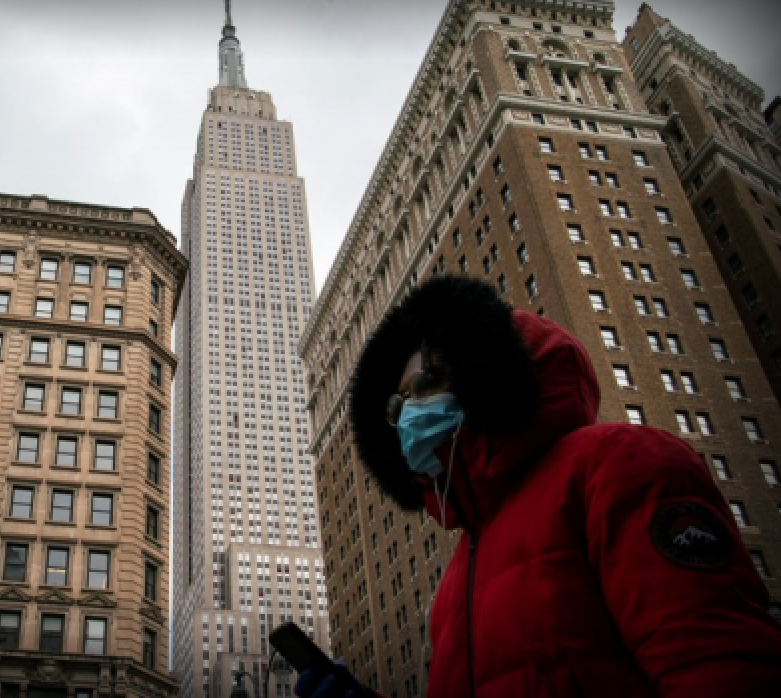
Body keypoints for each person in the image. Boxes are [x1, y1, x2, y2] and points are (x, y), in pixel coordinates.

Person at [295, 275, 781, 697]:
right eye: (398, 407)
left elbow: (722, 666)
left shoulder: (618, 464)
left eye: (428, 383)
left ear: (489, 373)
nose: (409, 415)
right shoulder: (456, 576)